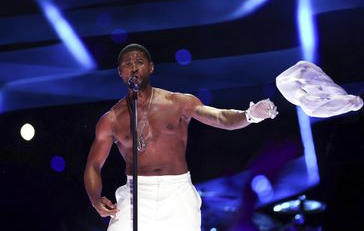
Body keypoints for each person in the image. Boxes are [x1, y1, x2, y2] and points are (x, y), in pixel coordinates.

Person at [84, 43, 278, 231]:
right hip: (136, 195)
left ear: (151, 67)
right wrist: (95, 199)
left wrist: (250, 114)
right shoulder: (111, 119)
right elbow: (93, 165)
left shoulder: (178, 102)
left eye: (139, 62)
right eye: (128, 64)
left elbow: (220, 117)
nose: (134, 67)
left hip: (176, 193)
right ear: (120, 72)